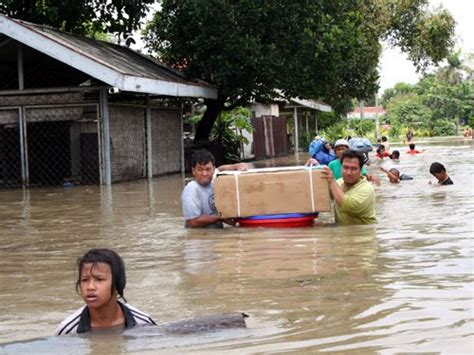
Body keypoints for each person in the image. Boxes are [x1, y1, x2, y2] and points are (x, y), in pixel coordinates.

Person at [56, 249, 156, 335]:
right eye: (85, 280)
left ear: (117, 284)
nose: (90, 287)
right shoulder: (68, 330)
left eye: (99, 279)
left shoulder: (143, 323)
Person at [181, 149, 248, 228]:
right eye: (200, 169)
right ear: (193, 171)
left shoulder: (215, 178)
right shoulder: (191, 189)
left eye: (208, 169)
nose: (204, 173)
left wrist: (237, 166)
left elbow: (221, 169)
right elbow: (193, 221)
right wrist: (221, 217)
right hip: (200, 235)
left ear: (213, 169)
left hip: (217, 229)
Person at [321, 149, 377, 225]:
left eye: (353, 168)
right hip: (342, 230)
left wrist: (332, 181)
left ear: (361, 170)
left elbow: (348, 206)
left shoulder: (367, 189)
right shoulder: (339, 183)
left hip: (363, 233)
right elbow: (321, 197)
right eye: (345, 167)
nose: (348, 172)